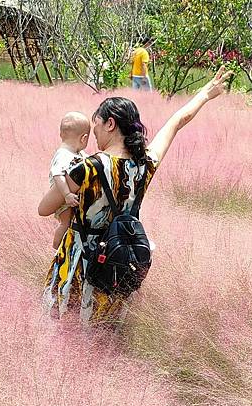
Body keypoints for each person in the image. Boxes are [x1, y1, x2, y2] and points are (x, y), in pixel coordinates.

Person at [38, 66, 233, 325]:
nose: (94, 132)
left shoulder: (88, 167)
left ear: (110, 123)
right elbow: (176, 123)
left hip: (79, 265)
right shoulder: (145, 164)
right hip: (118, 265)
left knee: (65, 332)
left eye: (96, 124)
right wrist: (205, 94)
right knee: (105, 337)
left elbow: (44, 208)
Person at [49, 112, 90, 249]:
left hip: (70, 196)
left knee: (72, 223)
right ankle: (56, 247)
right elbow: (57, 174)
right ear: (84, 138)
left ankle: (66, 246)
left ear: (61, 134)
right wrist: (66, 194)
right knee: (65, 223)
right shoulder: (63, 154)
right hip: (63, 197)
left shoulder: (78, 153)